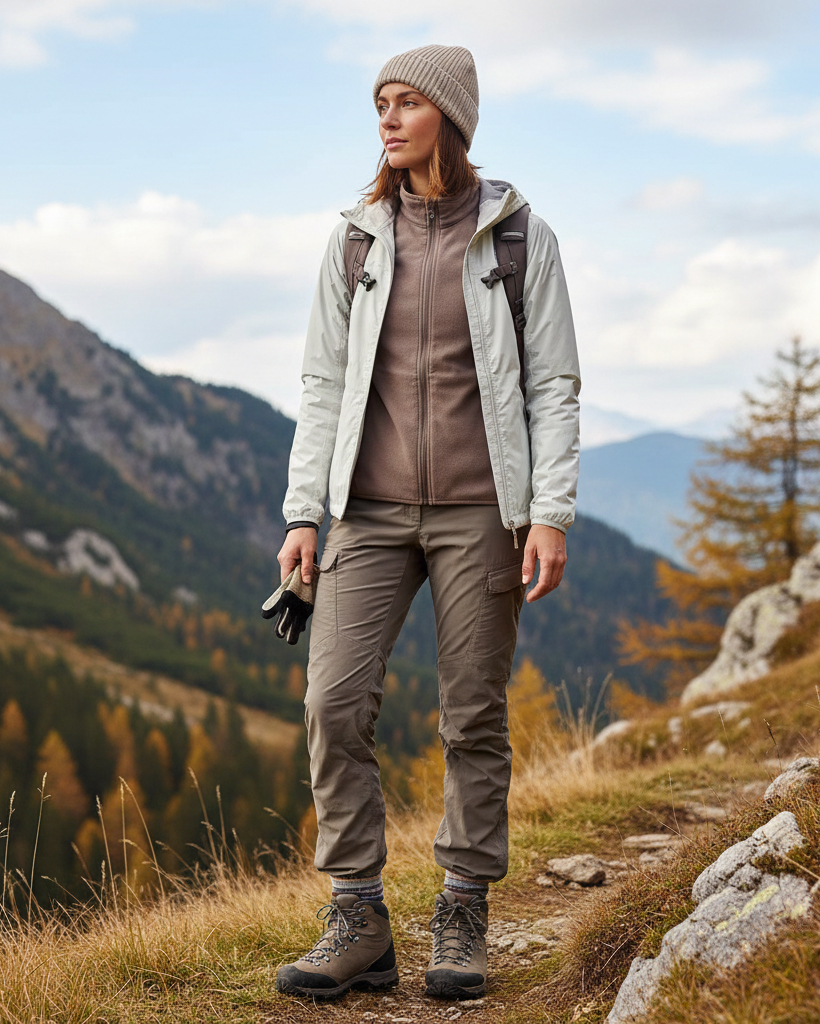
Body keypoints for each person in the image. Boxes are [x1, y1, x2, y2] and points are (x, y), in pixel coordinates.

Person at [275, 43, 580, 1002]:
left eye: (409, 103)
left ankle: (462, 910)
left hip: (481, 512)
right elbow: (323, 383)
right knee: (333, 702)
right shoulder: (356, 239)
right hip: (362, 511)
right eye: (381, 104)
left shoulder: (519, 236)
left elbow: (555, 386)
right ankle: (359, 918)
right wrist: (302, 516)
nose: (390, 120)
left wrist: (549, 513)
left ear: (451, 115)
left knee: (472, 715)